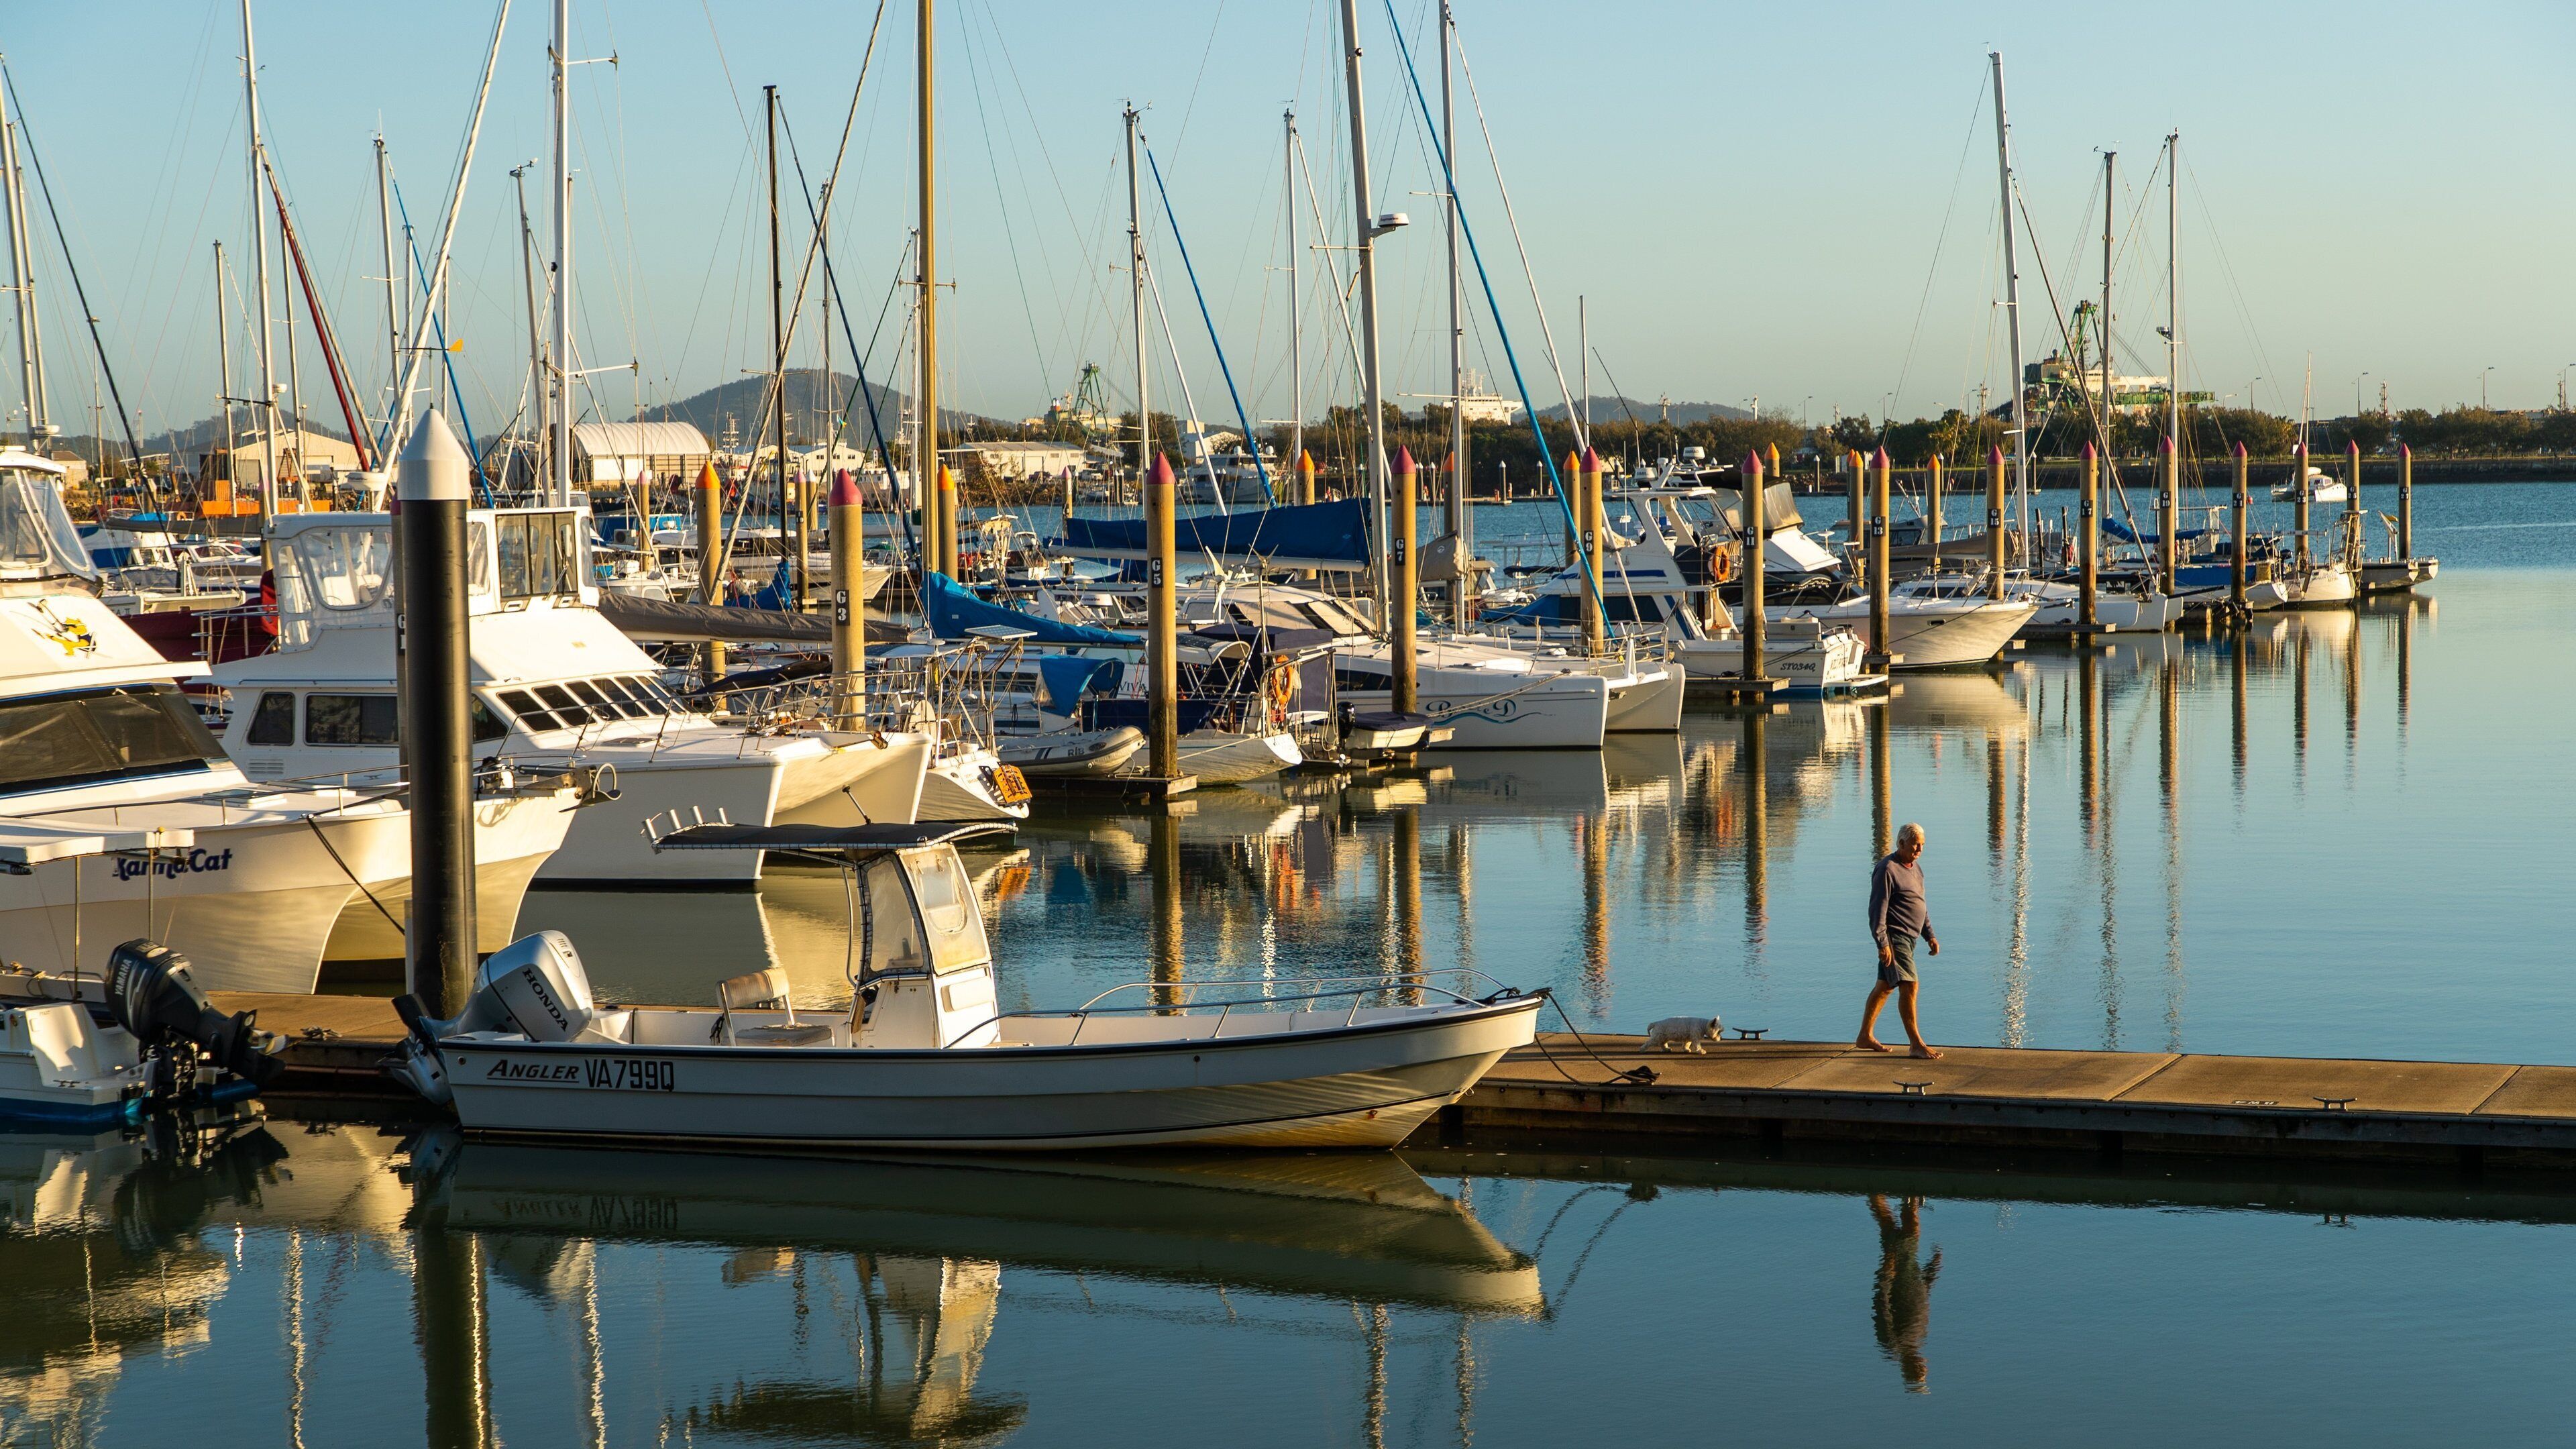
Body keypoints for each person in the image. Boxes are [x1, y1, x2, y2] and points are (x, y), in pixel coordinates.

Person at [1857, 822, 1942, 1059]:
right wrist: (1882, 942)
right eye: (1916, 844)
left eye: (1923, 845)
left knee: (1885, 987)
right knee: (1910, 985)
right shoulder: (1887, 869)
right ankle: (1916, 1044)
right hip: (1896, 937)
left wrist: (1930, 935)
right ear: (1902, 843)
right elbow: (1877, 909)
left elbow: (1920, 905)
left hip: (1911, 937)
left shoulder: (1916, 869)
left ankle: (1865, 1036)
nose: (1920, 849)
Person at [1869, 1193, 1941, 1392]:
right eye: (1924, 1370)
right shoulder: (1919, 1338)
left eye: (1919, 1370)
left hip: (1898, 1273)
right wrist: (1932, 1271)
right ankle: (1905, 1196)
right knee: (1904, 1229)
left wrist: (1887, 1272)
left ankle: (1878, 1191)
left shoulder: (1892, 1344)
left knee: (1895, 1228)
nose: (1923, 1365)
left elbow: (1881, 1305)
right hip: (1912, 1272)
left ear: (1908, 1369)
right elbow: (1922, 1300)